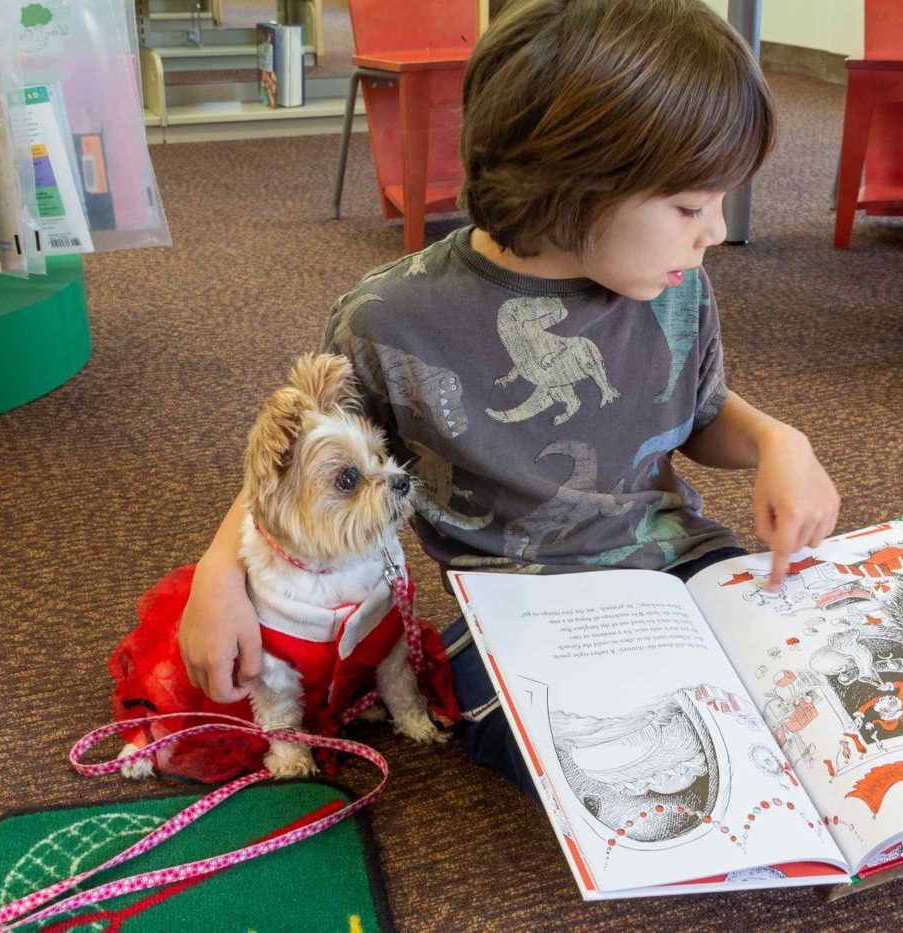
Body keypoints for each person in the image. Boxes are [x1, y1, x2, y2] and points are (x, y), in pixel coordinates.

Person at [177, 0, 840, 796]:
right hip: (520, 607)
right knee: (579, 750)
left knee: (819, 673)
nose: (715, 233)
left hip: (678, 562)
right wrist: (219, 571)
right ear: (573, 183)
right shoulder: (391, 321)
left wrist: (778, 442)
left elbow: (698, 416)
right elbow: (311, 467)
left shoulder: (672, 285)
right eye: (691, 207)